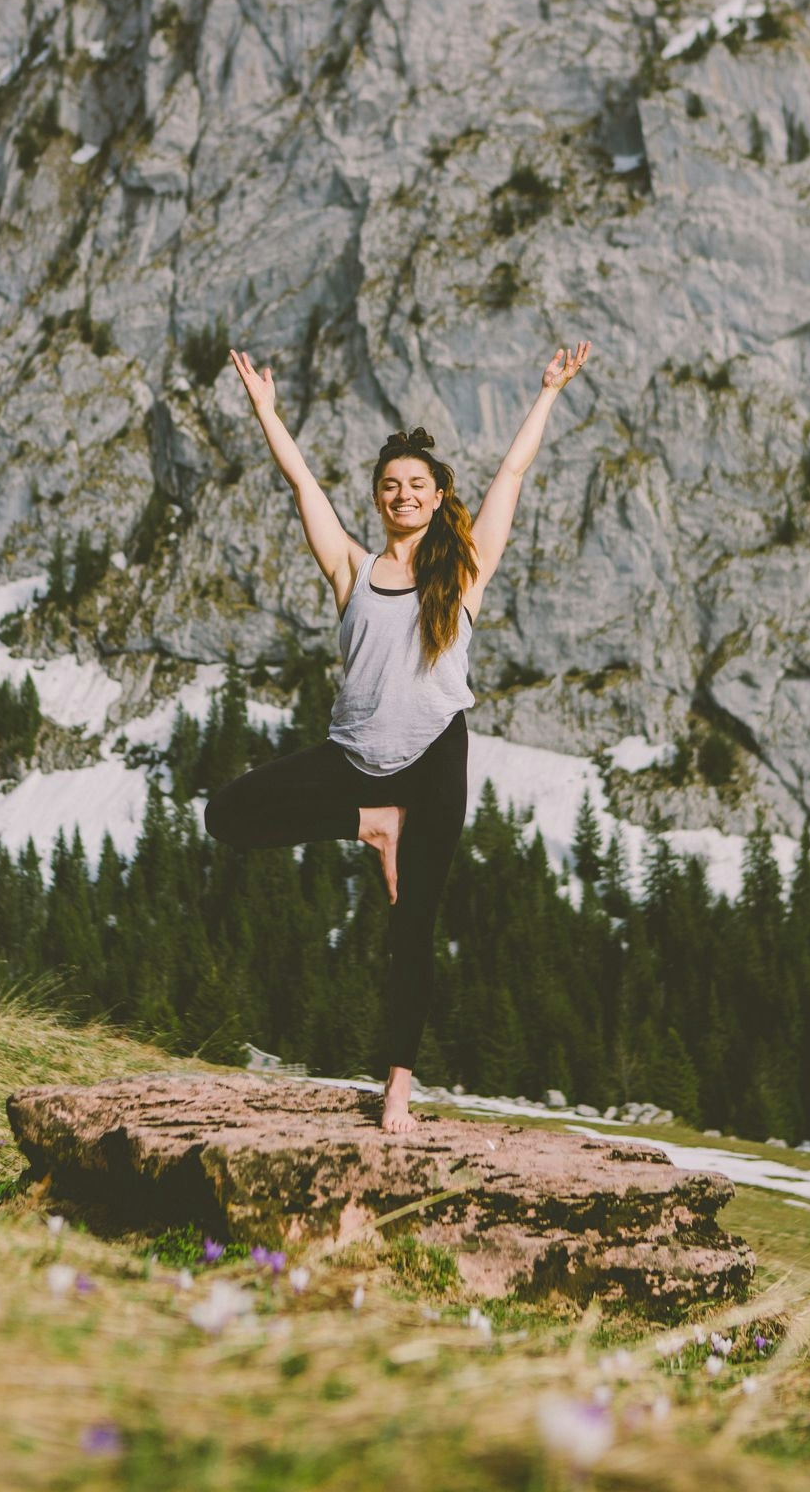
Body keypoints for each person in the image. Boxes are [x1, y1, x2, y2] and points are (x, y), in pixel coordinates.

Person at [205, 340, 592, 1133]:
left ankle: (396, 1091)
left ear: (438, 495)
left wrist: (548, 393)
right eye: (390, 486)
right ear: (378, 499)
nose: (402, 495)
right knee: (228, 814)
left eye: (416, 484)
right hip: (354, 757)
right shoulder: (350, 569)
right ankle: (370, 825)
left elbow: (511, 475)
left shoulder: (464, 570)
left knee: (412, 925)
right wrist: (267, 412)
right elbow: (301, 483)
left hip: (433, 760)